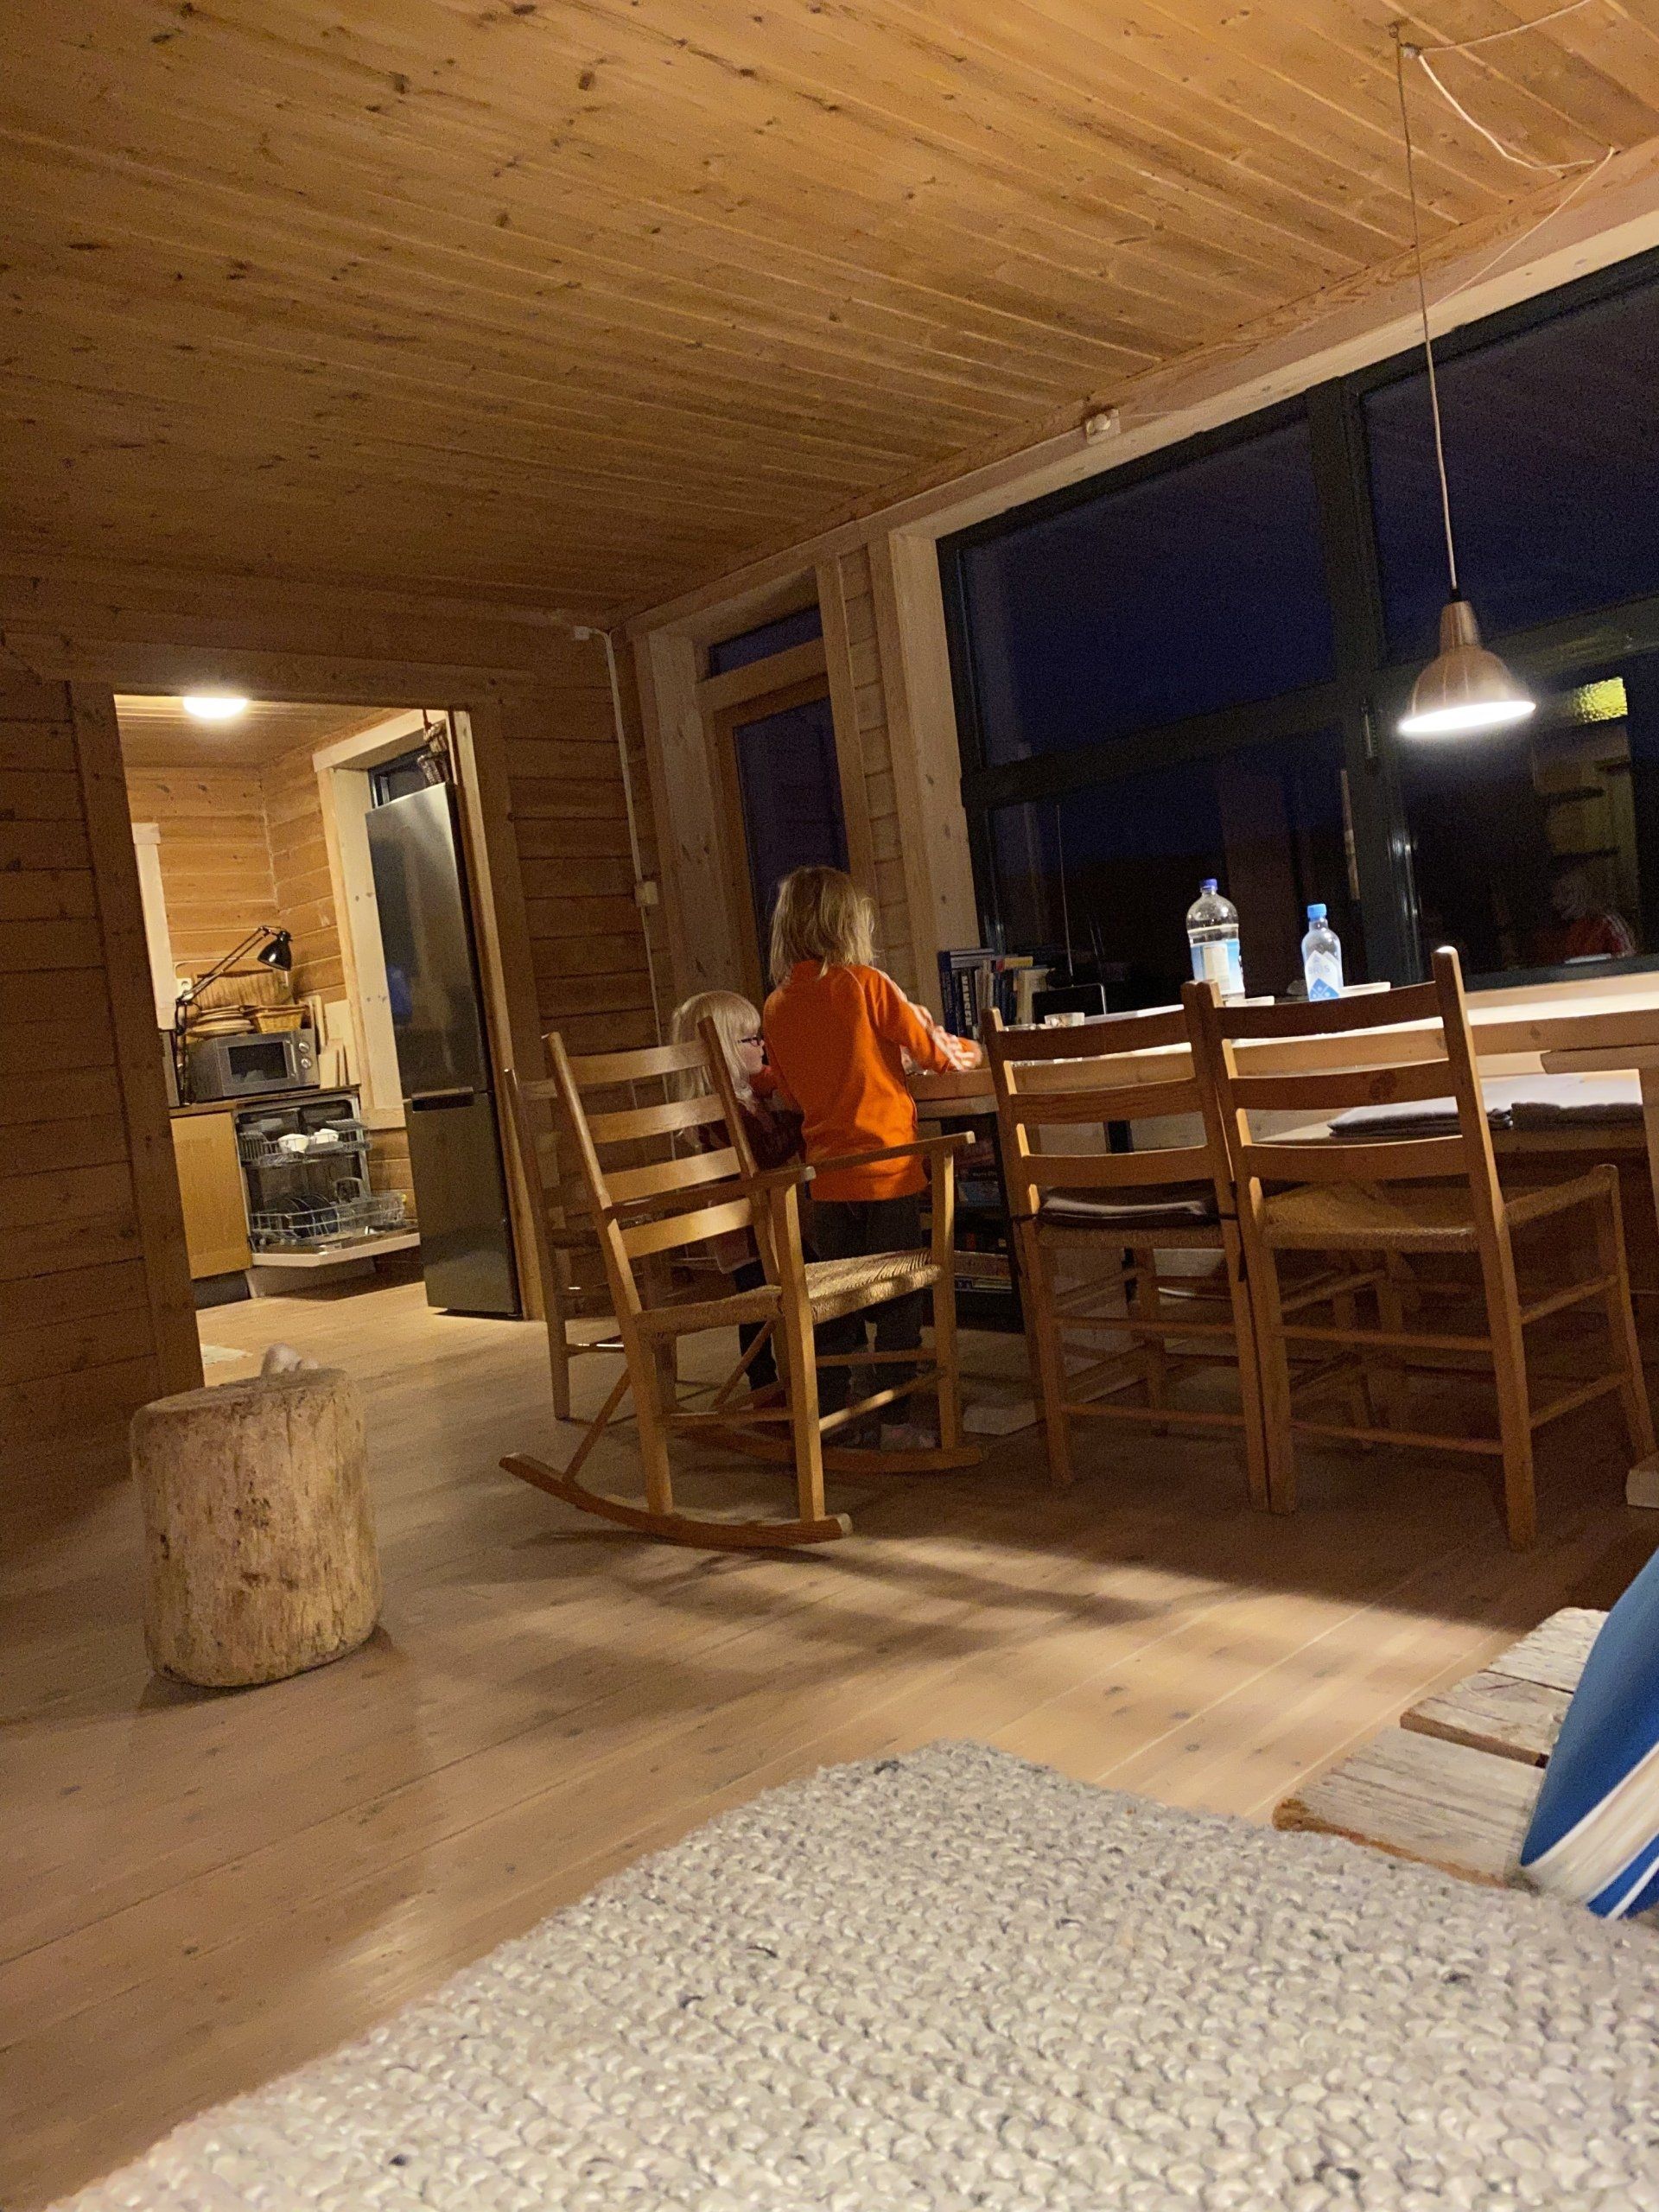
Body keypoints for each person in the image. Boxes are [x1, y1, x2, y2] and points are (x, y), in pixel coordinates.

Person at [761, 866, 982, 1443]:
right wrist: (975, 1050)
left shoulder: (776, 1005)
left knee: (836, 1301)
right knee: (899, 1296)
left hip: (827, 1181)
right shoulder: (866, 984)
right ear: (848, 925)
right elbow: (936, 1054)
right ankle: (896, 1419)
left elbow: (788, 1092)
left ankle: (833, 1417)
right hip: (887, 1171)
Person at [666, 990, 801, 1395]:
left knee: (772, 1299)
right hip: (744, 1231)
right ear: (722, 1050)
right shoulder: (718, 1110)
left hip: (768, 1224)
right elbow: (764, 1153)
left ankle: (799, 1376)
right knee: (757, 1308)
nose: (762, 1046)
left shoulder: (749, 1098)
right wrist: (801, 1115)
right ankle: (763, 1386)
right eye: (751, 1039)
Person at [1535, 861, 1637, 966]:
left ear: (1583, 893)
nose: (1559, 901)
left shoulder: (1606, 922)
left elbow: (1628, 961)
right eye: (1554, 895)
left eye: (1566, 893)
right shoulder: (1550, 931)